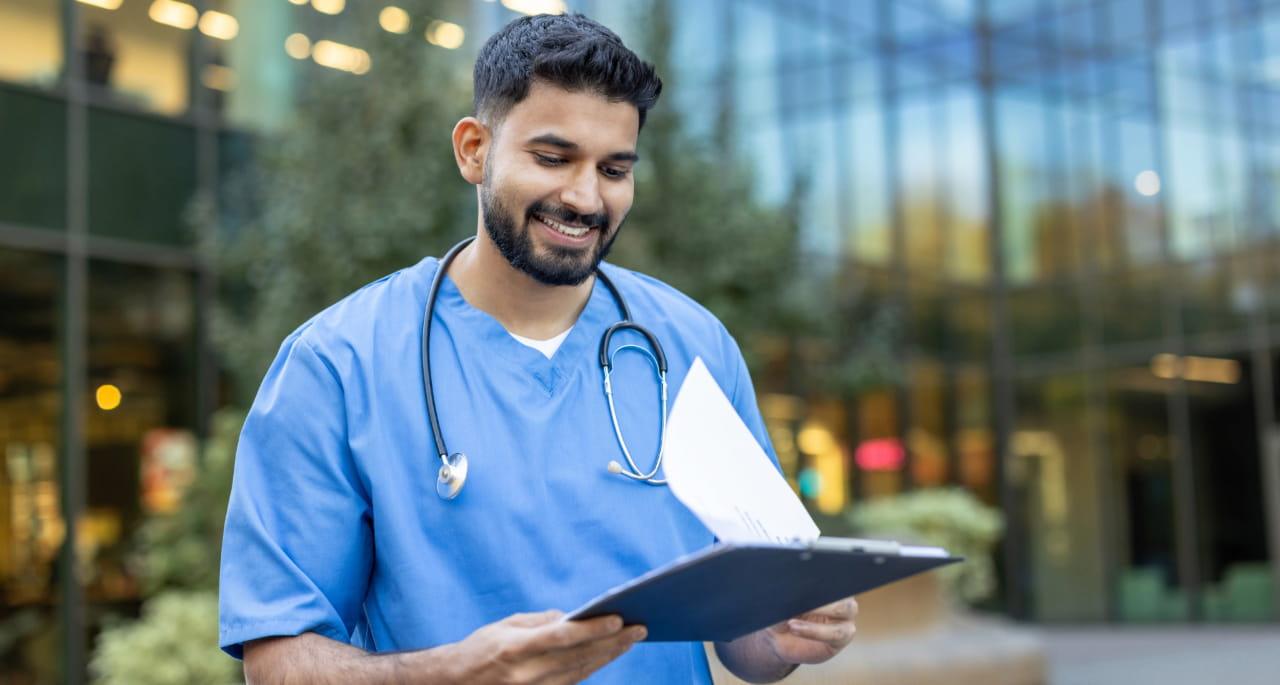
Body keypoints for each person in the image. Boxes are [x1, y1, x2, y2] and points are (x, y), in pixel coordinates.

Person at [219, 13, 857, 684]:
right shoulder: (336, 365)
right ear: (473, 150)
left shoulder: (694, 346)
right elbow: (277, 661)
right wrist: (459, 671)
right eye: (552, 158)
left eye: (614, 169)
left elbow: (749, 644)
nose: (584, 196)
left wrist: (791, 630)